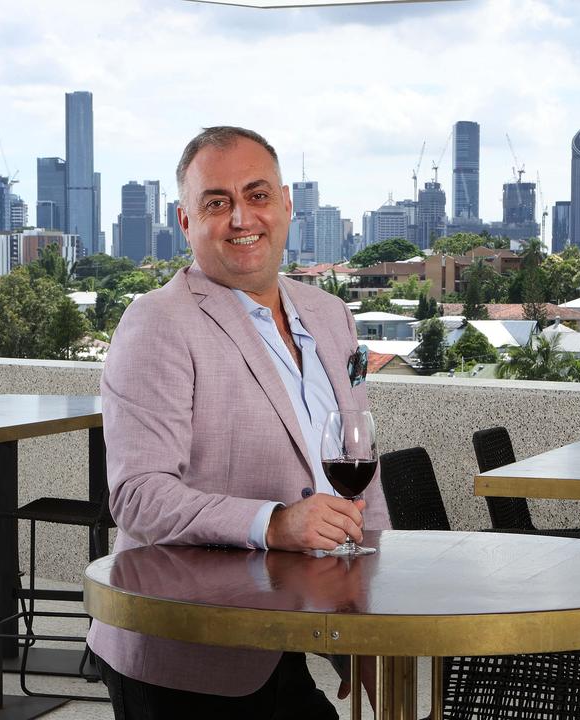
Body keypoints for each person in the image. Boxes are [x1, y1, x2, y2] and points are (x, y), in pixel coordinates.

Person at [87, 126, 390, 719]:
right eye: (216, 202)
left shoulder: (330, 317)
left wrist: (368, 621)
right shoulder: (157, 324)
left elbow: (360, 464)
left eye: (257, 195)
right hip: (186, 650)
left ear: (286, 204)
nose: (240, 217)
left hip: (289, 626)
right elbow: (138, 496)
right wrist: (274, 523)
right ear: (185, 221)